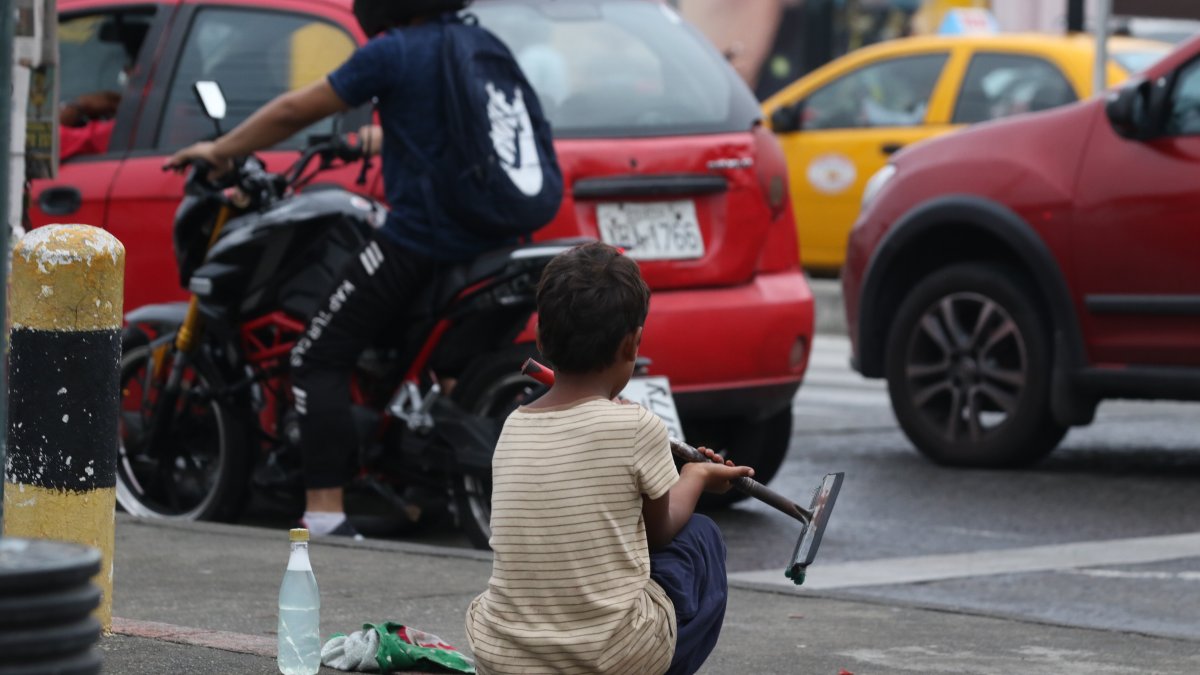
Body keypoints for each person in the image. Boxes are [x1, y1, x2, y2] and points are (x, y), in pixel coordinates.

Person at [166, 0, 525, 538]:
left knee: (317, 354)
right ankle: (426, 485)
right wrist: (372, 139)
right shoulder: (477, 42)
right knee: (425, 357)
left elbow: (294, 110)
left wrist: (221, 149)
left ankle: (326, 512)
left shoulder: (395, 50)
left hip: (424, 240)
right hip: (494, 232)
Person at [464, 242, 754, 675]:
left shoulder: (513, 426)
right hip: (611, 658)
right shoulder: (637, 426)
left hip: (506, 656)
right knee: (700, 537)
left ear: (542, 339)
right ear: (631, 345)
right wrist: (694, 475)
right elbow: (659, 532)